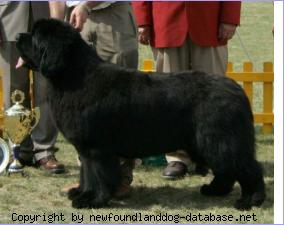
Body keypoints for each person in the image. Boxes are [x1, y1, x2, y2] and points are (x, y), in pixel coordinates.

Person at [132, 1, 241, 179]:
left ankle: (214, 155)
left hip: (210, 23)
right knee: (170, 99)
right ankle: (176, 158)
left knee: (213, 99)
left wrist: (229, 18)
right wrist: (143, 21)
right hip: (166, 23)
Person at [49, 1, 138, 196]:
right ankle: (89, 179)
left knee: (119, 103)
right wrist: (55, 27)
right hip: (73, 16)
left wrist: (87, 5)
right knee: (79, 104)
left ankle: (121, 177)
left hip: (111, 16)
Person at [0, 1, 65, 174]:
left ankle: (45, 152)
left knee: (47, 90)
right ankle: (19, 150)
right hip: (8, 19)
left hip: (47, 19)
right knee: (13, 91)